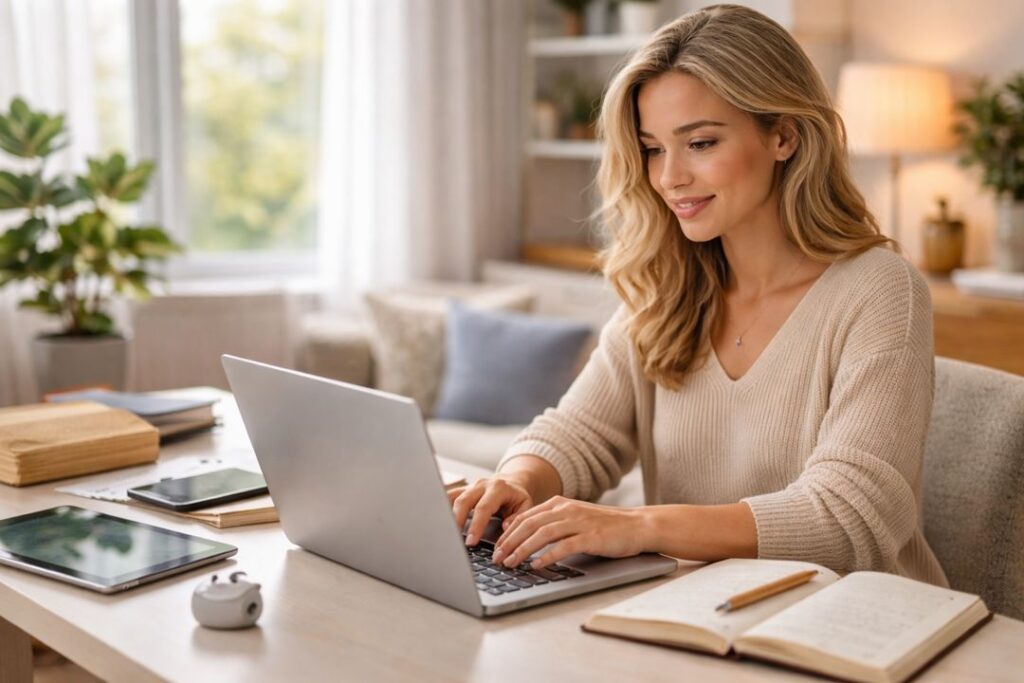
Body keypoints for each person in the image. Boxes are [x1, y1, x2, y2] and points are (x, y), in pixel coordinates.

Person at [450, 3, 947, 587]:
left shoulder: (879, 290)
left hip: (861, 631)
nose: (669, 178)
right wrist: (517, 480)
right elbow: (580, 433)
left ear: (783, 134)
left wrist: (639, 526)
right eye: (654, 148)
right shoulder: (668, 286)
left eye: (701, 143)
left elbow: (851, 519)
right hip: (702, 614)